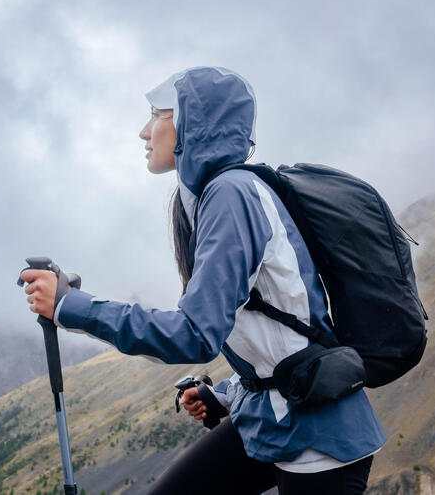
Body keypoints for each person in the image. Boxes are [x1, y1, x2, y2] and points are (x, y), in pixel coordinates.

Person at [20, 66, 387, 495]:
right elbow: (275, 332)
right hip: (277, 418)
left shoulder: (231, 195)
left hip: (320, 444)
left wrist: (69, 306)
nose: (144, 132)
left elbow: (193, 334)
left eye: (157, 115)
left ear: (193, 123)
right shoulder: (213, 197)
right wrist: (227, 394)